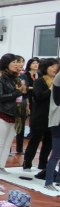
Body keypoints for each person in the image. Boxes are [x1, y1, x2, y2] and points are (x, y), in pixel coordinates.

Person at [0, 54, 27, 174]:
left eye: (17, 62)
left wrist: (22, 90)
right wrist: (17, 92)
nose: (17, 65)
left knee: (8, 143)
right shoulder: (0, 79)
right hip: (3, 113)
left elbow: (22, 94)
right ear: (6, 64)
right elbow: (0, 97)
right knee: (0, 142)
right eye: (14, 62)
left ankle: (2, 165)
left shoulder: (17, 78)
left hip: (15, 113)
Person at [24, 58, 57, 170]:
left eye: (56, 66)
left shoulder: (57, 81)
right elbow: (39, 96)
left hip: (53, 117)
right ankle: (27, 163)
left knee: (48, 143)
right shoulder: (39, 81)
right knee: (35, 141)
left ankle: (43, 164)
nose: (55, 68)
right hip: (40, 117)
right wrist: (50, 89)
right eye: (52, 66)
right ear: (45, 68)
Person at [43, 59, 60, 190]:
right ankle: (48, 182)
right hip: (58, 121)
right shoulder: (58, 77)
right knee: (56, 154)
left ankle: (58, 180)